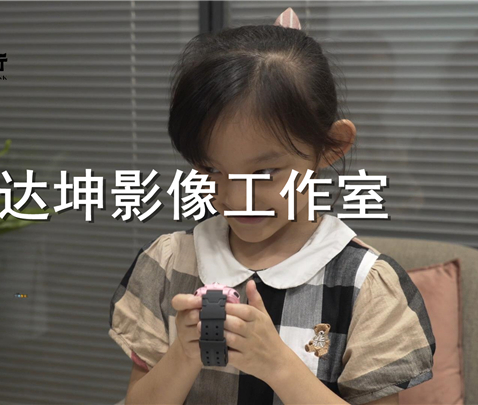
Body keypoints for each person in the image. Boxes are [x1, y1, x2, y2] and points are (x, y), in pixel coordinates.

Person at [108, 7, 435, 405]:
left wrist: (278, 366)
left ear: (331, 146)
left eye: (264, 173)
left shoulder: (365, 286)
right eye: (211, 169)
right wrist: (183, 356)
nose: (236, 198)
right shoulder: (169, 264)